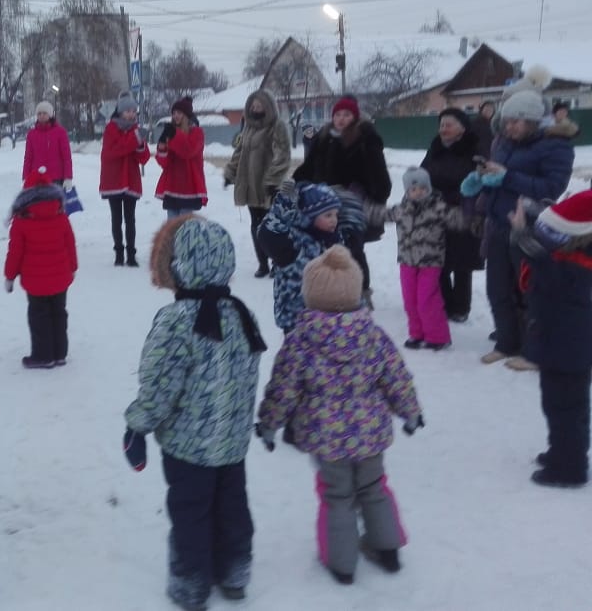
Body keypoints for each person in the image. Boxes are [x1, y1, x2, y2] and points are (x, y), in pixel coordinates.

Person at [256, 245, 423, 586]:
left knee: (337, 496)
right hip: (371, 435)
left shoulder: (301, 340)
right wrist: (410, 413)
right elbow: (396, 377)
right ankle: (387, 549)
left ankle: (342, 562)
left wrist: (270, 424)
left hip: (326, 439)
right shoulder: (373, 335)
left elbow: (284, 387)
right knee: (374, 488)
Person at [123, 216, 267, 611]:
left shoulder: (175, 321)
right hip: (232, 444)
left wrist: (137, 426)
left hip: (187, 448)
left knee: (191, 512)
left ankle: (191, 583)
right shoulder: (242, 315)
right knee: (232, 506)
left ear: (179, 266)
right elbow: (247, 374)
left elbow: (158, 386)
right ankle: (235, 570)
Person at [460, 90, 574, 369]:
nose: (508, 126)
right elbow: (499, 178)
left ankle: (536, 352)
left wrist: (507, 177)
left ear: (534, 121)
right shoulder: (506, 143)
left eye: (516, 121)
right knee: (497, 289)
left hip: (530, 228)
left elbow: (551, 189)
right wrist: (482, 178)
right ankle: (506, 343)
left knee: (531, 291)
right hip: (499, 223)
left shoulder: (556, 146)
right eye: (506, 120)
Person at [510, 192, 592, 488]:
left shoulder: (574, 268)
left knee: (563, 409)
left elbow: (537, 256)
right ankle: (566, 453)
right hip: (566, 350)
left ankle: (569, 469)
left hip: (566, 351)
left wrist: (520, 232)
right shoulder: (572, 259)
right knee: (570, 407)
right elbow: (539, 253)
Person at [293, 96, 391, 305]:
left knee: (353, 248)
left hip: (352, 205)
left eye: (346, 114)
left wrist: (375, 197)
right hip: (324, 203)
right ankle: (331, 289)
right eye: (337, 114)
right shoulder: (324, 136)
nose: (341, 119)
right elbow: (308, 167)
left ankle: (361, 290)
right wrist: (293, 185)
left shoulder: (365, 138)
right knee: (327, 247)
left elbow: (379, 174)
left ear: (354, 116)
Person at [372, 167, 468, 351]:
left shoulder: (438, 208)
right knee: (410, 300)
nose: (419, 192)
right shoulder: (402, 210)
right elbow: (380, 213)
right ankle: (416, 334)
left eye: (423, 188)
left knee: (426, 300)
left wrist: (473, 215)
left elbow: (460, 219)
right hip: (407, 262)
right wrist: (359, 207)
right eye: (414, 189)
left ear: (429, 188)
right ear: (407, 191)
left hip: (430, 263)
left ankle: (438, 337)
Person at [4, 167, 78, 369]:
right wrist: (73, 266)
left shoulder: (21, 220)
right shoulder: (61, 214)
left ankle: (43, 355)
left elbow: (15, 252)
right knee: (59, 312)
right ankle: (59, 353)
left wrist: (9, 276)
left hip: (35, 280)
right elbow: (70, 243)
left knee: (39, 316)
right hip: (60, 277)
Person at [420, 108, 485, 323]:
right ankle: (445, 302)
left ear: (462, 128)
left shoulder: (474, 150)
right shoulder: (435, 149)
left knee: (462, 263)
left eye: (449, 124)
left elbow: (478, 181)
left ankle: (461, 307)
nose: (443, 129)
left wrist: (457, 196)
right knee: (437, 260)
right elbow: (423, 175)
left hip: (463, 211)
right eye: (441, 125)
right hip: (436, 212)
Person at [257, 181, 344, 333]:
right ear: (310, 216)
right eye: (328, 215)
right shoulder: (294, 243)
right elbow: (268, 233)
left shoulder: (334, 240)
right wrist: (283, 204)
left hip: (328, 318)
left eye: (336, 214)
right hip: (297, 320)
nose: (334, 220)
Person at [223, 90, 291, 277]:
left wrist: (273, 179)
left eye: (259, 106)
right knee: (256, 224)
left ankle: (277, 261)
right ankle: (262, 263)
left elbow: (283, 155)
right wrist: (230, 173)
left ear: (268, 107)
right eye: (253, 106)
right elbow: (239, 153)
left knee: (273, 226)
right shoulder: (249, 127)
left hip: (269, 186)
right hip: (251, 185)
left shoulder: (277, 126)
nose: (256, 109)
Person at [99, 94, 150, 266]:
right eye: (128, 111)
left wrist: (141, 145)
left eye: (134, 111)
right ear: (120, 112)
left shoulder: (135, 130)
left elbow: (143, 159)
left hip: (131, 180)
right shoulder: (111, 129)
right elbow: (115, 151)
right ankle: (119, 253)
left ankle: (131, 255)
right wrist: (135, 139)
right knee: (116, 219)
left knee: (130, 219)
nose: (131, 114)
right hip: (114, 180)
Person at [155, 97, 207, 219]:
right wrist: (162, 143)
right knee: (172, 228)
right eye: (173, 113)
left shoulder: (197, 133)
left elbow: (187, 151)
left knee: (184, 228)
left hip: (189, 188)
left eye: (179, 113)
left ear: (186, 115)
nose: (175, 116)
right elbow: (164, 162)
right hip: (172, 188)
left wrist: (174, 135)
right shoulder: (171, 133)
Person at [22, 101, 73, 191]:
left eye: (44, 113)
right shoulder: (32, 134)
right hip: (37, 178)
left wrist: (68, 177)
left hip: (56, 178)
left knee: (56, 204)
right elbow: (28, 158)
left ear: (50, 115)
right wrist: (26, 177)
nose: (41, 115)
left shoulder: (60, 132)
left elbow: (66, 157)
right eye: (39, 113)